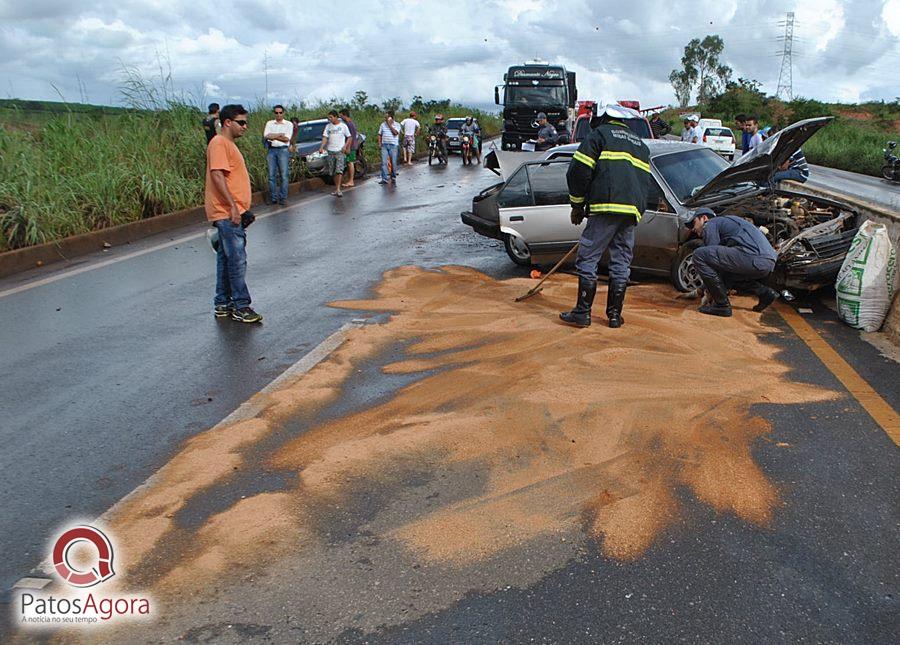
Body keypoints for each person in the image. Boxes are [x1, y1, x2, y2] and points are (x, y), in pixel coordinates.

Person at [560, 104, 652, 329]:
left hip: (605, 208)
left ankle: (583, 313)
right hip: (631, 212)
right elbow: (645, 183)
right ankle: (614, 316)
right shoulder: (641, 144)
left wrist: (577, 206)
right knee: (621, 263)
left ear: (603, 117)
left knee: (588, 258)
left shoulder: (598, 135)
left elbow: (578, 172)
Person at [205, 104, 262, 324]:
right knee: (237, 259)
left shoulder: (226, 144)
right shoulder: (219, 143)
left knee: (226, 258)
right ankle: (241, 305)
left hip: (232, 210)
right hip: (228, 212)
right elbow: (218, 175)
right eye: (241, 122)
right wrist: (232, 207)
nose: (245, 127)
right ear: (227, 122)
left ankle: (223, 303)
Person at [685, 207, 779, 317]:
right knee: (726, 275)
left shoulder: (710, 224)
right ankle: (765, 293)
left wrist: (706, 292)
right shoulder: (729, 223)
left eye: (693, 223)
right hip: (768, 262)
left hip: (752, 256)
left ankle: (722, 305)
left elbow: (712, 261)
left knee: (699, 254)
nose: (692, 229)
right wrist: (702, 289)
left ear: (704, 218)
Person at [263, 105, 292, 205]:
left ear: (283, 113)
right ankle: (273, 198)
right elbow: (266, 136)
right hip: (271, 150)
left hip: (283, 150)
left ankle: (283, 197)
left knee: (284, 175)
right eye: (276, 113)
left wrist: (273, 136)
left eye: (280, 112)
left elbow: (287, 139)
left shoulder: (288, 124)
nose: (278, 114)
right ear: (274, 113)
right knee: (271, 176)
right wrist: (279, 135)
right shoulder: (269, 123)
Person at [319, 110, 352, 197]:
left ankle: (338, 189)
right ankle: (336, 188)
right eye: (328, 117)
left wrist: (346, 146)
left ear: (336, 117)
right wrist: (322, 147)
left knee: (339, 170)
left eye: (331, 117)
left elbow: (349, 137)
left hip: (340, 151)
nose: (330, 119)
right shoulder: (328, 127)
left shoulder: (343, 126)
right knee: (332, 171)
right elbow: (325, 137)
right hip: (330, 151)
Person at [377, 110, 401, 185]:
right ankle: (384, 178)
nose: (386, 118)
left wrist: (390, 125)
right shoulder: (382, 125)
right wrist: (379, 143)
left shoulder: (397, 124)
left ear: (391, 117)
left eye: (387, 117)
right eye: (385, 117)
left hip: (393, 145)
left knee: (393, 162)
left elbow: (395, 133)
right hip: (384, 145)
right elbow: (379, 134)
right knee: (384, 162)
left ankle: (393, 176)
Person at [339, 108, 359, 187]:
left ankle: (351, 180)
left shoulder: (349, 124)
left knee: (350, 163)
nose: (341, 118)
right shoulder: (350, 123)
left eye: (341, 116)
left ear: (344, 115)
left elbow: (350, 137)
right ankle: (350, 180)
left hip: (351, 146)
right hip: (351, 146)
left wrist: (348, 147)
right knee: (349, 163)